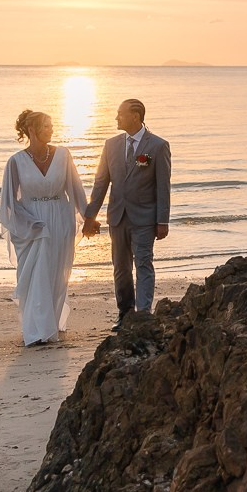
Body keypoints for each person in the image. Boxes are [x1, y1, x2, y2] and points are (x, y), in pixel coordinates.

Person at [0, 109, 88, 346]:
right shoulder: (16, 162)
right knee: (36, 276)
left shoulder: (63, 155)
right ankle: (37, 331)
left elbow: (76, 189)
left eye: (51, 125)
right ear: (31, 130)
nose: (51, 130)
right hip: (33, 225)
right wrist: (29, 224)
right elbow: (9, 203)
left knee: (57, 274)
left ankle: (51, 323)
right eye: (45, 126)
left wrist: (88, 217)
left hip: (61, 220)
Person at [84, 98, 171, 325]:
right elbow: (101, 183)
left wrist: (162, 221)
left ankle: (143, 315)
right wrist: (90, 216)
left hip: (145, 218)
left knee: (143, 264)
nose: (116, 118)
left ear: (135, 116)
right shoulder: (111, 145)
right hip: (117, 217)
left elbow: (163, 186)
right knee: (121, 268)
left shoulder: (158, 146)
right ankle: (125, 314)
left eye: (120, 113)